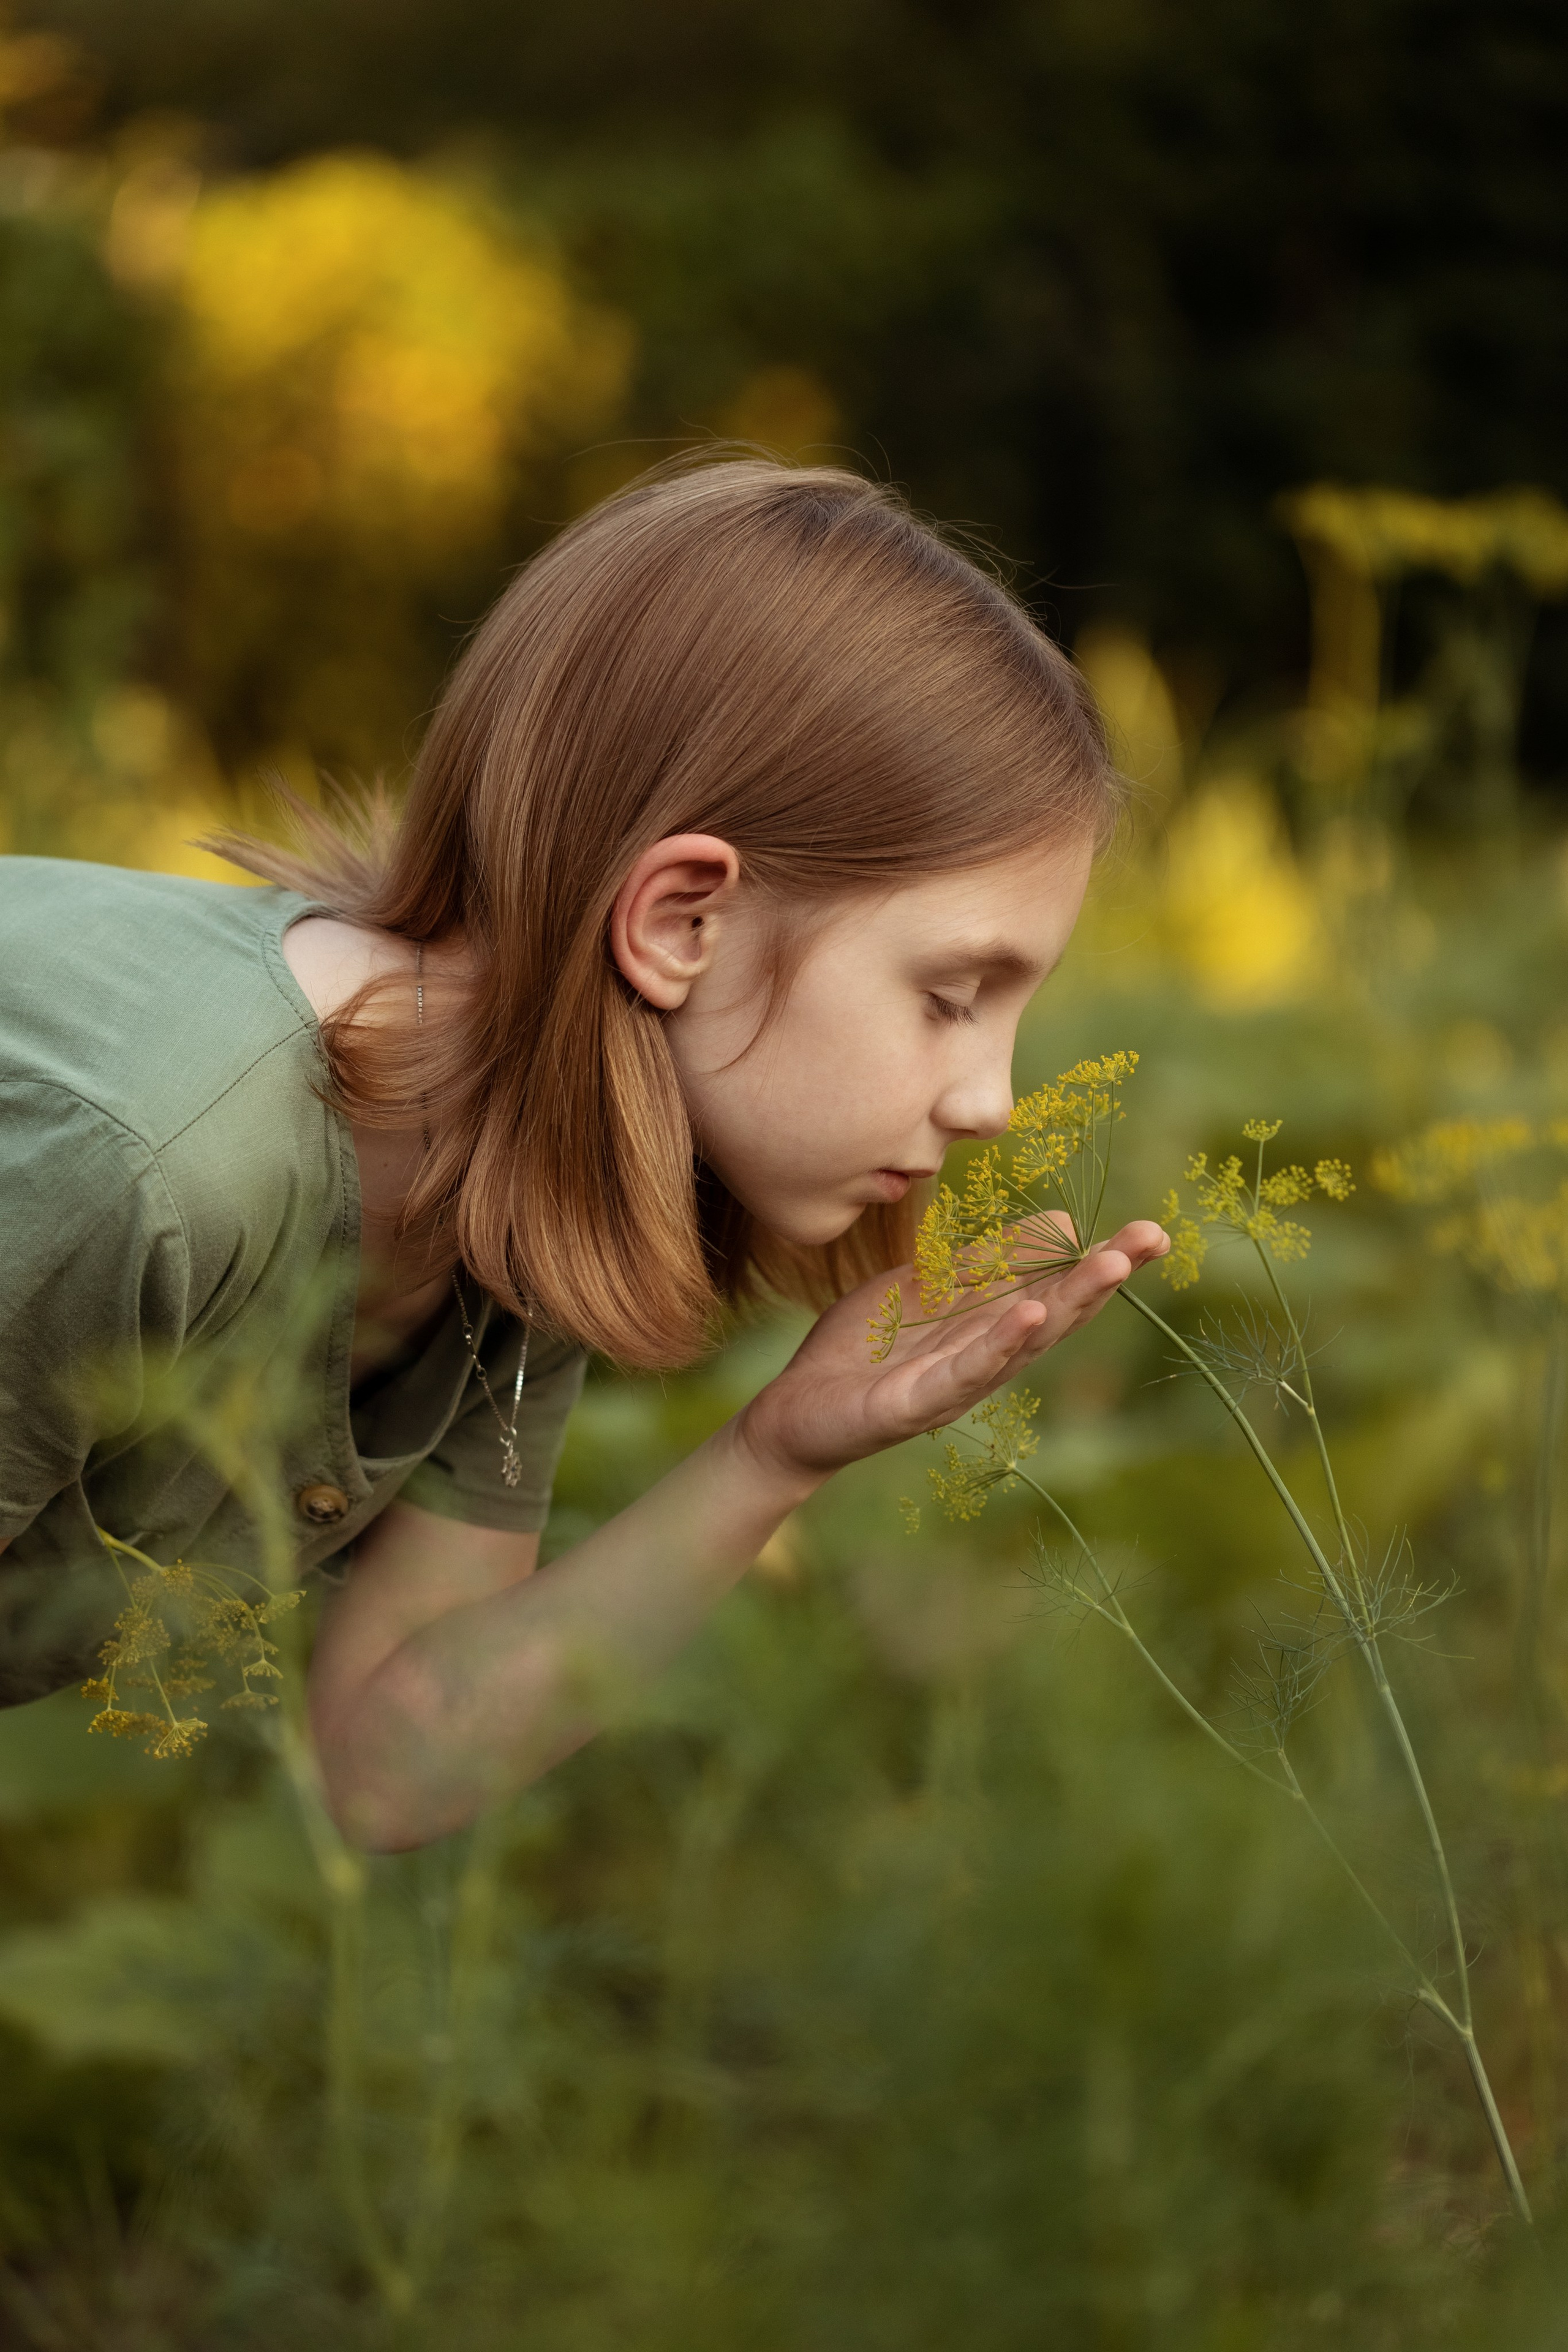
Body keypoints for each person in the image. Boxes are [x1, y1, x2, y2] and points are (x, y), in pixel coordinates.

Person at [0, 458, 1167, 1852]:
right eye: (948, 997)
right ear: (680, 921)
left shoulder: (526, 1176)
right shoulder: (143, 1166)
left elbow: (389, 1762)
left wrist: (767, 1460)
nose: (990, 1099)